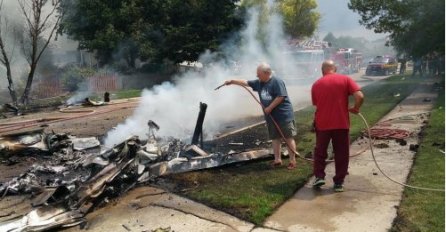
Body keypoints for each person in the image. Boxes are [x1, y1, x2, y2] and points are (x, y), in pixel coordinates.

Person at [224, 62, 297, 170]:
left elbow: (281, 96)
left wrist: (269, 108)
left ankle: (292, 160)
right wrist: (232, 81)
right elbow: (246, 82)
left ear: (267, 73)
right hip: (271, 117)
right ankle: (277, 160)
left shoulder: (277, 81)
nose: (257, 76)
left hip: (283, 115)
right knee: (275, 138)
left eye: (259, 74)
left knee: (288, 137)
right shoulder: (259, 83)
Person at [311, 60, 364, 192]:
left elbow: (318, 106)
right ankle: (339, 182)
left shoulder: (316, 84)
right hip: (341, 123)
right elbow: (360, 96)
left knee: (320, 152)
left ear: (322, 70)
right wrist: (356, 108)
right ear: (335, 68)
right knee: (341, 153)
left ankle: (319, 177)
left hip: (322, 124)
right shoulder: (345, 79)